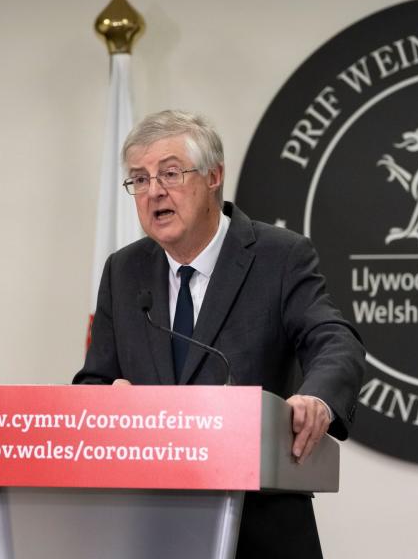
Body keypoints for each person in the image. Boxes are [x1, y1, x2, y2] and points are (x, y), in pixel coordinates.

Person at [74, 109, 365, 558]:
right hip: (150, 527)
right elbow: (95, 379)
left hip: (259, 529)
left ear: (214, 175)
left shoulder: (279, 256)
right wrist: (109, 398)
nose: (154, 192)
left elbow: (334, 339)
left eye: (170, 173)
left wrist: (318, 399)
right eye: (140, 179)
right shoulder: (124, 271)